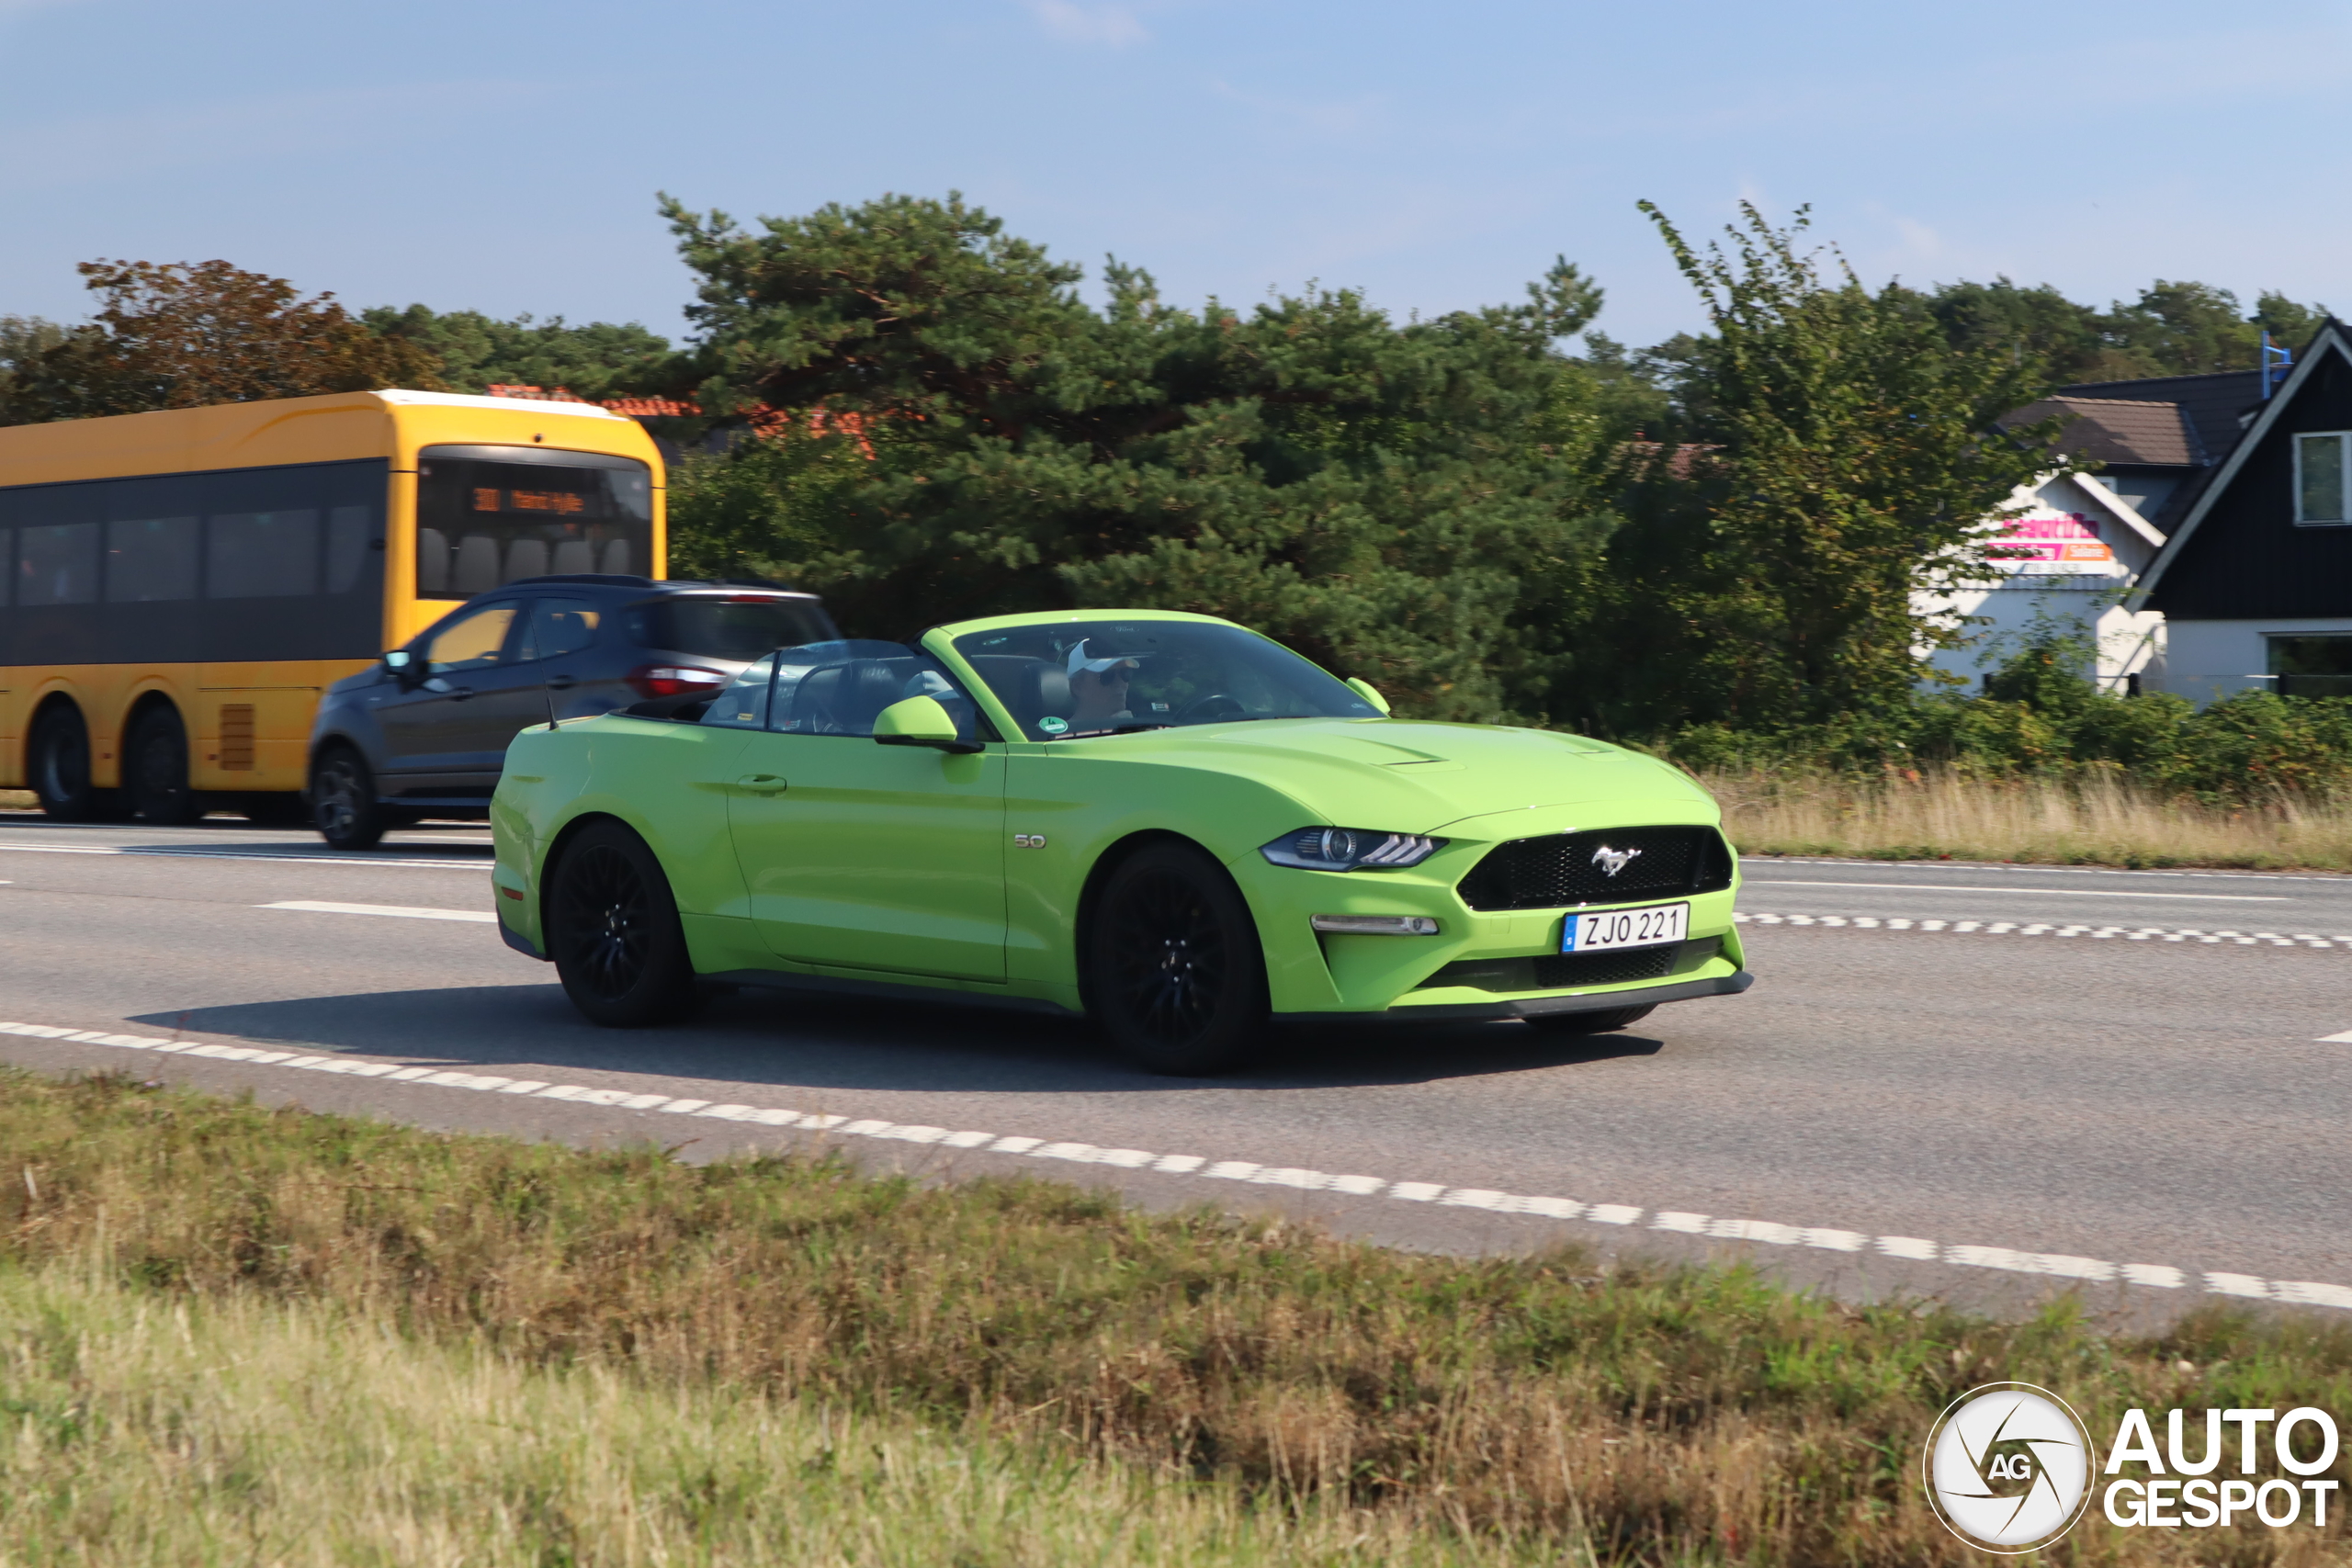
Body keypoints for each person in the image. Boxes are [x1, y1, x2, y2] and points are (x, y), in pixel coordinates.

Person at [1064, 639, 1147, 733]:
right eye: (1107, 675)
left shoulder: (1145, 732)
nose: (1119, 683)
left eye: (1125, 674)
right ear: (1077, 686)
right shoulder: (1059, 739)